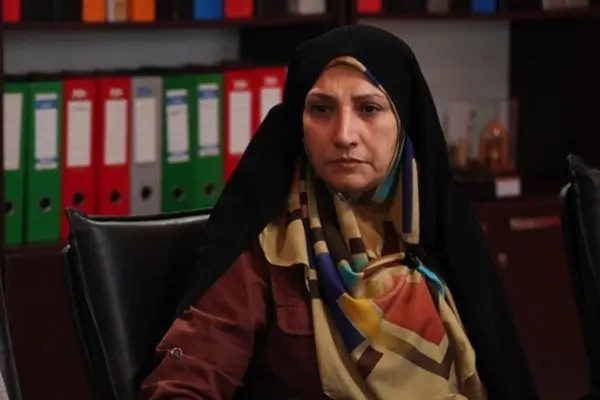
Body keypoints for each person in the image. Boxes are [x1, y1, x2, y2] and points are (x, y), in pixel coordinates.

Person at [138, 24, 538, 400]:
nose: (344, 135)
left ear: (403, 123)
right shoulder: (266, 246)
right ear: (299, 124)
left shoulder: (442, 231)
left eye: (369, 108)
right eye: (322, 109)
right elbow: (183, 383)